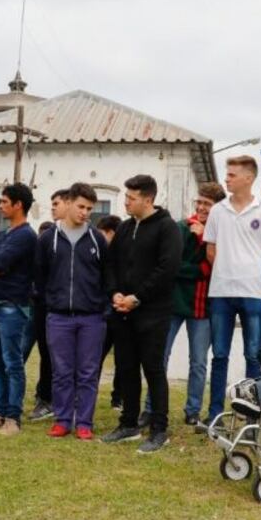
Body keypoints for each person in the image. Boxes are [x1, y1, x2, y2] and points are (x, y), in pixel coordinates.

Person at [101, 175, 181, 454]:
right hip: (122, 312)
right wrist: (115, 294)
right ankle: (128, 424)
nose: (126, 202)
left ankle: (159, 429)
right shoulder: (123, 229)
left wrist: (138, 297)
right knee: (126, 369)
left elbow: (167, 269)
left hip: (153, 314)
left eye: (131, 198)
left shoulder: (167, 228)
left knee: (153, 370)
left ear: (148, 199)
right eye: (125, 197)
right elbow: (110, 264)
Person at [203, 156, 261, 425]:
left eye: (233, 174)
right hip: (221, 291)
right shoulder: (217, 211)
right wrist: (228, 270)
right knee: (220, 354)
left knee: (252, 355)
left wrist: (256, 278)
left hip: (253, 293)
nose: (227, 179)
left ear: (249, 178)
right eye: (228, 174)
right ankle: (215, 414)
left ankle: (251, 415)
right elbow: (210, 249)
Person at [143, 181, 226, 427]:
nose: (201, 208)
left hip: (203, 306)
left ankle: (192, 411)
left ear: (218, 209)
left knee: (198, 362)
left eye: (207, 204)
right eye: (199, 202)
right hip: (172, 303)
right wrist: (199, 268)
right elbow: (172, 265)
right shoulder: (180, 228)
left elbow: (218, 268)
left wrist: (204, 241)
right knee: (159, 357)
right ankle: (151, 408)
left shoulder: (223, 233)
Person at [36, 182, 109, 440]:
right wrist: (51, 301)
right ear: (67, 203)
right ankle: (63, 419)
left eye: (90, 208)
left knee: (88, 372)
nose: (85, 213)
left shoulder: (97, 239)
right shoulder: (48, 239)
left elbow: (106, 275)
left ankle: (85, 422)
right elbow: (40, 275)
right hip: (58, 317)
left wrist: (101, 306)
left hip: (91, 317)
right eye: (81, 206)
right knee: (62, 372)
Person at [0, 183, 38, 436]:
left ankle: (13, 418)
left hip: (13, 306)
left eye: (3, 201)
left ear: (18, 205)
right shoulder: (1, 235)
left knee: (12, 363)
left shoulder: (26, 236)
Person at [26, 189, 70, 421]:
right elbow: (38, 273)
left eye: (56, 203)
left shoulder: (85, 236)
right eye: (51, 204)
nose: (52, 207)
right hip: (46, 306)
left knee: (69, 358)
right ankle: (45, 398)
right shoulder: (46, 237)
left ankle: (66, 400)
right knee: (47, 353)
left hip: (73, 308)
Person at [96, 214, 123, 410]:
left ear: (111, 233)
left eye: (101, 234)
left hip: (120, 312)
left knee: (122, 359)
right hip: (103, 312)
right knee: (95, 357)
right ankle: (89, 392)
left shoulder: (123, 254)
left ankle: (118, 397)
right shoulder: (99, 254)